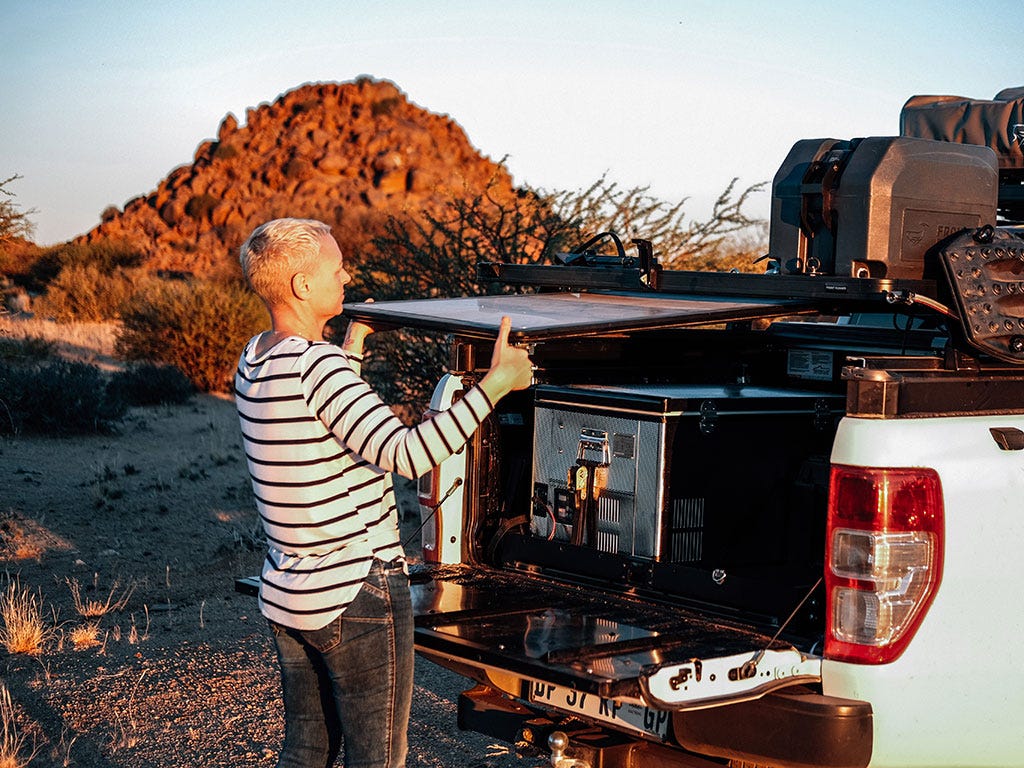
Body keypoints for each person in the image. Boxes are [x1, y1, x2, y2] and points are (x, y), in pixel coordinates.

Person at [234, 218, 533, 768]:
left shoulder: (255, 359)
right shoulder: (316, 367)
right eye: (335, 267)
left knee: (306, 751)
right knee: (378, 758)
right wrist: (495, 384)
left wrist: (352, 345)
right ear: (302, 285)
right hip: (356, 588)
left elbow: (314, 421)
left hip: (292, 591)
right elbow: (409, 454)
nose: (347, 275)